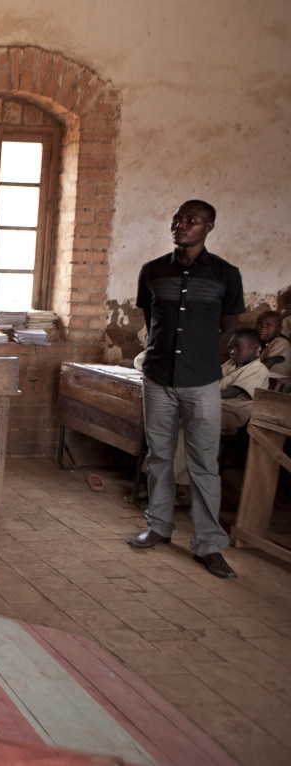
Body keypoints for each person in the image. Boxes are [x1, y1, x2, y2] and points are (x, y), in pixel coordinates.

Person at [129, 200, 244, 579]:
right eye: (178, 219)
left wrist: (200, 355)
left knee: (203, 464)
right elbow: (152, 319)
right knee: (159, 455)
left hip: (202, 381)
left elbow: (228, 327)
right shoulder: (153, 271)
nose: (181, 225)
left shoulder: (226, 275)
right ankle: (159, 526)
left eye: (191, 221)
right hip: (159, 376)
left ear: (208, 227)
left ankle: (208, 544)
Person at [170, 328, 269, 487]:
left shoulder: (258, 369)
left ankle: (177, 485)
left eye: (239, 348)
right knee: (173, 418)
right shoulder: (231, 364)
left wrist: (199, 395)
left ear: (255, 348)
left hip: (231, 415)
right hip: (213, 408)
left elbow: (233, 391)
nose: (233, 352)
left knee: (191, 425)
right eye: (230, 347)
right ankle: (161, 477)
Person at [255, 310, 291, 377]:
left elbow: (263, 368)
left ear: (278, 329)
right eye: (260, 324)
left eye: (268, 325)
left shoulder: (281, 342)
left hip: (278, 384)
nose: (263, 327)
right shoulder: (258, 345)